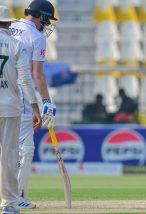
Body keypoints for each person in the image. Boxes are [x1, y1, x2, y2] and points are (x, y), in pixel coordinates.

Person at [9, 0, 58, 209]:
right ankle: (16, 196)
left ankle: (12, 194)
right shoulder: (36, 37)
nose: (46, 25)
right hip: (21, 92)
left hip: (4, 89)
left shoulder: (9, 28)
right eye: (46, 20)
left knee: (8, 146)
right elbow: (37, 74)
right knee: (25, 149)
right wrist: (46, 102)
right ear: (41, 16)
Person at [0, 6, 41, 214]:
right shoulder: (17, 45)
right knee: (8, 156)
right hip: (10, 107)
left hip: (9, 107)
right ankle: (9, 204)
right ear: (9, 24)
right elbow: (26, 80)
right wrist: (35, 108)